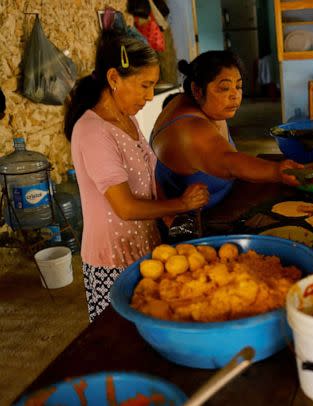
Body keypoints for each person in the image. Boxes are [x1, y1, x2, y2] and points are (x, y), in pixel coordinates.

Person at [64, 31, 208, 322]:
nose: (150, 96)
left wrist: (170, 221)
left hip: (145, 248)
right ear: (114, 78)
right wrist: (181, 204)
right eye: (144, 85)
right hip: (112, 261)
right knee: (120, 339)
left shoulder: (127, 119)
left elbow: (148, 177)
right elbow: (126, 207)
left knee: (152, 324)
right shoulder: (93, 131)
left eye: (153, 85)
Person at [150, 51, 301, 210]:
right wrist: (277, 171)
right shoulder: (189, 127)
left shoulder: (206, 105)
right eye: (224, 88)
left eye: (239, 86)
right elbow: (228, 162)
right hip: (195, 221)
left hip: (226, 196)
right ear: (197, 90)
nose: (235, 95)